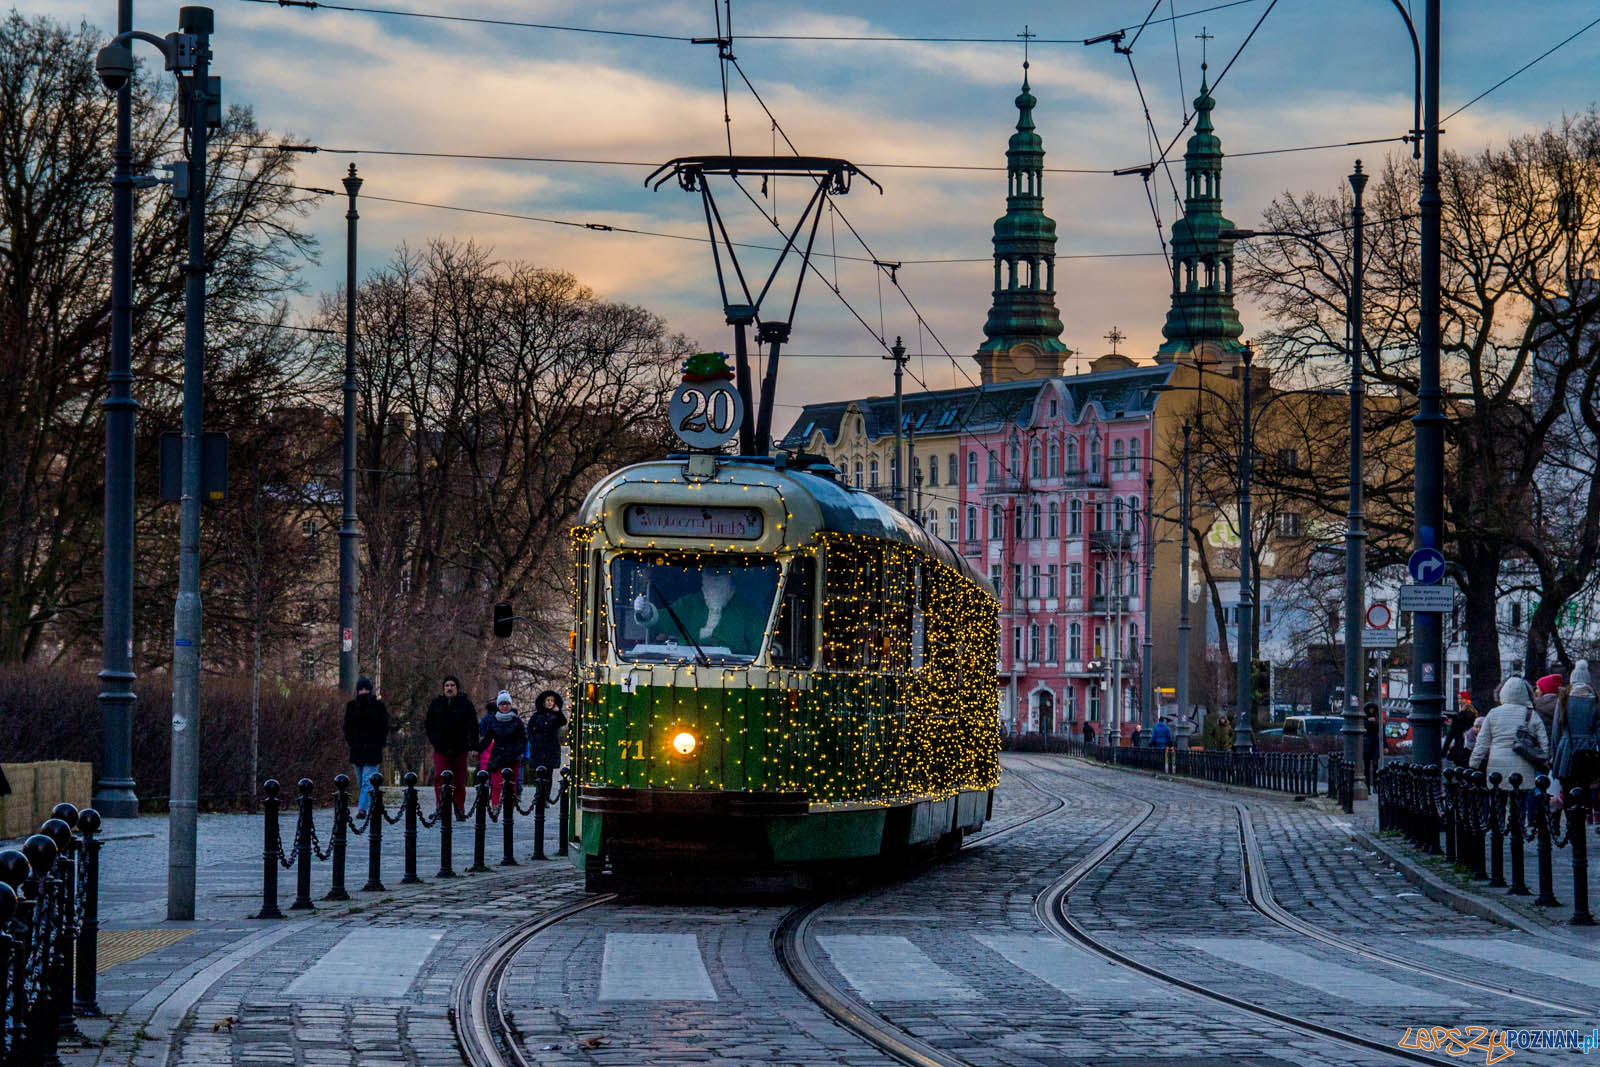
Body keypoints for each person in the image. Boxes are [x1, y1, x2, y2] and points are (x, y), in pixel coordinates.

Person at [632, 567, 767, 655]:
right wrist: (648, 613)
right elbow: (666, 620)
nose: (715, 579)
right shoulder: (689, 604)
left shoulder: (747, 610)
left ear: (729, 577)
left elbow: (762, 646)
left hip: (733, 674)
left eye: (720, 573)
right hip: (685, 670)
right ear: (704, 577)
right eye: (711, 573)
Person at [1468, 677, 1550, 811]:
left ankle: (1499, 823)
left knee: (1498, 804)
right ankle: (1519, 823)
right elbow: (1544, 742)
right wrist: (1544, 759)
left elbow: (1482, 743)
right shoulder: (1531, 714)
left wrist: (1473, 764)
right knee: (1520, 805)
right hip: (1523, 766)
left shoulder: (1493, 714)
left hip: (1497, 766)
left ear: (1503, 693)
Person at [424, 674, 477, 818]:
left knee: (459, 781)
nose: (449, 688)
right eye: (446, 685)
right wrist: (435, 741)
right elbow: (429, 725)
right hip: (441, 748)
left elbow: (473, 726)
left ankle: (459, 810)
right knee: (440, 779)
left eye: (452, 685)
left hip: (460, 748)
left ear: (457, 688)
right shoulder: (436, 704)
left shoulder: (466, 704)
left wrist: (473, 746)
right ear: (443, 688)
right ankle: (441, 808)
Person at [1553, 660, 1599, 821]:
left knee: (1567, 787)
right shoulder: (1595, 699)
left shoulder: (1564, 699)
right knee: (1585, 786)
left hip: (1566, 748)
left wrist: (1554, 755)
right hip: (1588, 749)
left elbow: (1556, 730)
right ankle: (1584, 818)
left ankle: (1571, 822)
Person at [343, 677, 389, 817]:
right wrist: (351, 742)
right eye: (361, 689)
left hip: (373, 750)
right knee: (361, 781)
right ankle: (374, 803)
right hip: (357, 750)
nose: (364, 692)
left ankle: (362, 809)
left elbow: (384, 726)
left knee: (367, 781)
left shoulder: (378, 706)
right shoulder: (351, 706)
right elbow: (347, 727)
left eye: (366, 689)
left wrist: (379, 743)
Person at [479, 690, 528, 809]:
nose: (504, 706)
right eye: (502, 704)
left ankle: (510, 808)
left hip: (513, 757)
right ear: (498, 706)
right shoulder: (493, 720)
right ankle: (494, 806)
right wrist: (477, 749)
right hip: (498, 756)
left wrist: (517, 751)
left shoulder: (517, 721)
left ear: (510, 705)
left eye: (506, 704)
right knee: (496, 784)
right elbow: (487, 739)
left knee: (512, 784)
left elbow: (523, 739)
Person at [526, 690, 568, 782]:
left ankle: (547, 791)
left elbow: (563, 722)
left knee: (549, 774)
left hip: (551, 749)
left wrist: (559, 712)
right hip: (539, 748)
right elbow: (529, 728)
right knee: (539, 774)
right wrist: (533, 739)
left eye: (552, 701)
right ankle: (539, 791)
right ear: (544, 702)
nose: (550, 702)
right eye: (548, 700)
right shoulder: (537, 715)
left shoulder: (556, 715)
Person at [1362, 702, 1381, 788]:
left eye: (1373, 709)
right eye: (1370, 709)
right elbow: (1362, 726)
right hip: (1367, 743)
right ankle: (1368, 785)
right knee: (1367, 766)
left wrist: (1385, 746)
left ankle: (1375, 785)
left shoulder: (1377, 718)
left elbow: (1381, 731)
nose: (1371, 710)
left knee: (1375, 764)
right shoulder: (1364, 719)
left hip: (1375, 743)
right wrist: (1367, 721)